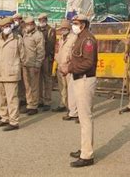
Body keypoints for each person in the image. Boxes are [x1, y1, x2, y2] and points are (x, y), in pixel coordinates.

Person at [62, 14, 97, 167]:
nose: (73, 26)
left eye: (76, 23)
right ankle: (85, 148)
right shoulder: (80, 37)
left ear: (83, 24)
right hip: (78, 78)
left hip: (85, 79)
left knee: (85, 118)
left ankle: (87, 155)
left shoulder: (88, 39)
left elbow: (88, 63)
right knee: (83, 119)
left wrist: (69, 68)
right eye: (73, 23)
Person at [0, 17, 26, 131]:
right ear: (1, 28)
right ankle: (4, 117)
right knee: (1, 98)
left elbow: (23, 56)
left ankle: (14, 121)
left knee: (12, 98)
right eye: (4, 27)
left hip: (11, 73)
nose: (6, 28)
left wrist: (16, 67)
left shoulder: (17, 39)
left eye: (8, 26)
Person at [21, 17, 45, 116]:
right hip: (25, 63)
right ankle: (29, 104)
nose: (29, 25)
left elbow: (40, 51)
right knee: (27, 86)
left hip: (33, 64)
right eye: (27, 24)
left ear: (34, 24)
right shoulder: (25, 33)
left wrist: (38, 64)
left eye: (31, 24)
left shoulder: (38, 35)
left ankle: (34, 106)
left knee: (34, 86)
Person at [53, 19, 75, 113]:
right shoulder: (61, 38)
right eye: (62, 28)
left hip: (69, 66)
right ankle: (63, 104)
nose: (63, 30)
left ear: (69, 28)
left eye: (65, 28)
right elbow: (58, 51)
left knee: (71, 88)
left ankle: (71, 107)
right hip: (60, 65)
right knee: (62, 87)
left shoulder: (74, 38)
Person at [37, 13, 56, 111]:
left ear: (46, 20)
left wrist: (43, 55)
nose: (41, 21)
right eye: (40, 20)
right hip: (38, 58)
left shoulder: (50, 30)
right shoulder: (37, 29)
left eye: (43, 19)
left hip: (46, 58)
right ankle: (40, 100)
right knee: (38, 80)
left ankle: (47, 101)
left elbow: (50, 45)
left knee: (47, 79)